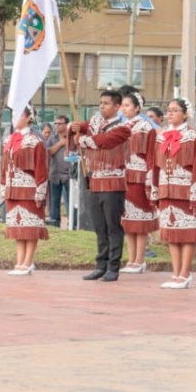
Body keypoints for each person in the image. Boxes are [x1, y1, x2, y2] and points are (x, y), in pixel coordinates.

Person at [70, 90, 130, 281]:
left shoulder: (123, 127)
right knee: (99, 226)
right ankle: (100, 264)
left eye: (106, 103)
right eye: (100, 102)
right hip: (95, 180)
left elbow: (103, 142)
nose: (101, 106)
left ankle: (113, 266)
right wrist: (74, 127)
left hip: (113, 182)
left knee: (113, 226)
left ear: (117, 107)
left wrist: (82, 139)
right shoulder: (95, 122)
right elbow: (79, 128)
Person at [148, 98, 196, 289]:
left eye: (175, 110)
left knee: (187, 233)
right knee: (171, 232)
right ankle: (176, 273)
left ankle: (185, 274)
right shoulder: (161, 136)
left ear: (185, 114)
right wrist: (154, 188)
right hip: (166, 189)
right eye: (168, 110)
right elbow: (154, 165)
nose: (170, 113)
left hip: (186, 191)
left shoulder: (193, 136)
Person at [1, 105, 48, 275]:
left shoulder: (35, 140)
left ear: (29, 117)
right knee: (18, 228)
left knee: (30, 227)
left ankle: (28, 262)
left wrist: (40, 192)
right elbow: (4, 167)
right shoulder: (9, 140)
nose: (15, 119)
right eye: (13, 115)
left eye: (19, 115)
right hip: (13, 190)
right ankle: (19, 261)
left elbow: (41, 168)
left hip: (29, 190)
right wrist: (3, 187)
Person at [117, 90, 157, 273]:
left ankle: (140, 260)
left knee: (140, 221)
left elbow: (151, 154)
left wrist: (150, 178)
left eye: (127, 106)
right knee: (128, 219)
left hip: (140, 177)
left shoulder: (146, 128)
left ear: (137, 108)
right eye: (122, 106)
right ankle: (131, 259)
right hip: (124, 177)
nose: (124, 109)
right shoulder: (121, 127)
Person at [44, 116, 71, 226]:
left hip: (68, 174)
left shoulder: (72, 137)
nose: (57, 126)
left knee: (69, 200)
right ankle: (55, 222)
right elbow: (48, 152)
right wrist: (60, 143)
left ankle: (72, 221)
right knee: (54, 200)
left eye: (60, 123)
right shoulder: (52, 138)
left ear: (66, 124)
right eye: (56, 123)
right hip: (55, 174)